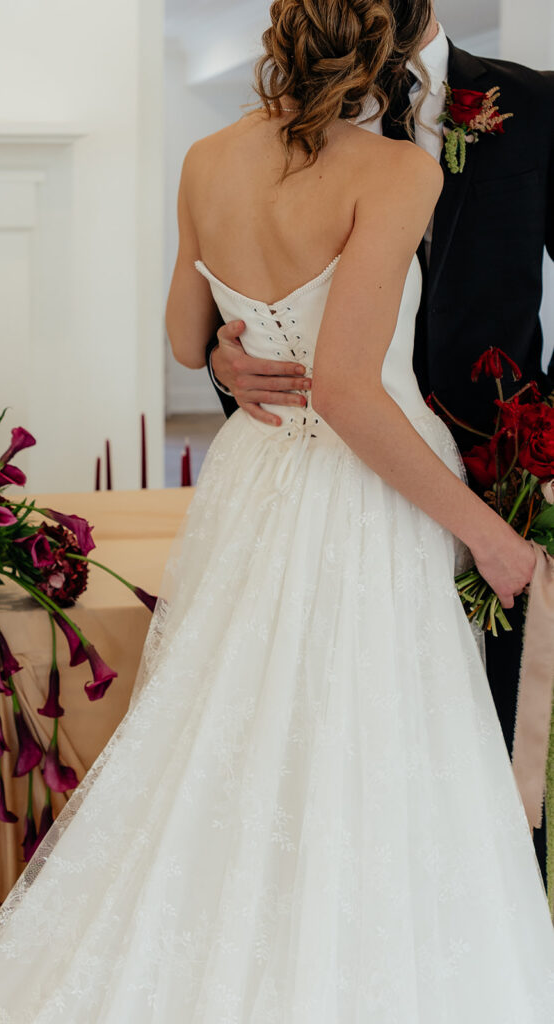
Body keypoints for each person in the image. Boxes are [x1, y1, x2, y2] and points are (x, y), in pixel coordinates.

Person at [0, 2, 554, 1021]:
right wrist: (487, 535)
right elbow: (345, 389)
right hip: (369, 494)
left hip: (254, 481)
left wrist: (235, 340)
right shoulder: (395, 171)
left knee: (232, 725)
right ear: (387, 42)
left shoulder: (206, 158)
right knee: (371, 740)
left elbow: (184, 338)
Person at [206, 0, 554, 879]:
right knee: (331, 730)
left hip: (507, 469)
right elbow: (244, 307)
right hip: (338, 485)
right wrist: (226, 357)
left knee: (498, 735)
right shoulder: (288, 125)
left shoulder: (538, 104)